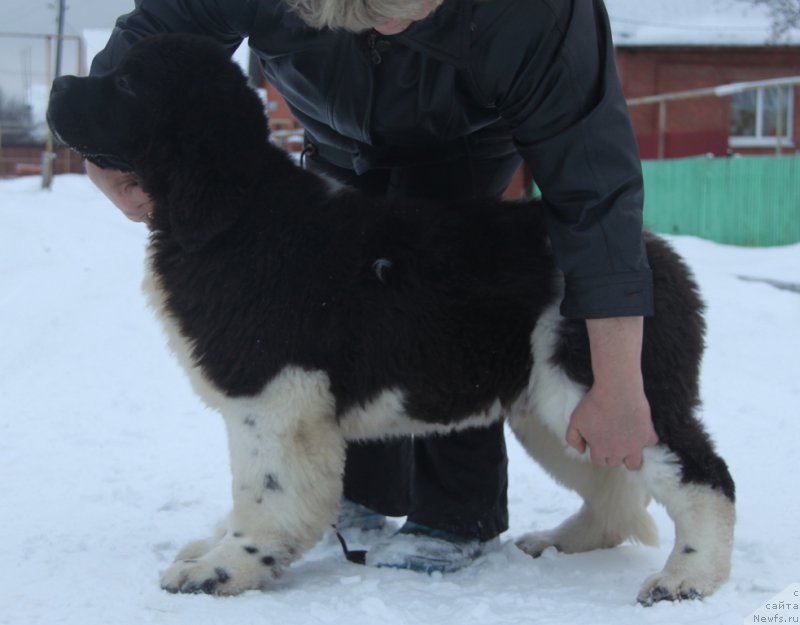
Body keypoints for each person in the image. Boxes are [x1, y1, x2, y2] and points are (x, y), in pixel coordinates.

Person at [87, 0, 658, 573]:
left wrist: (618, 377)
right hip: (332, 132)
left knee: (447, 306)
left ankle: (456, 512)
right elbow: (155, 32)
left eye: (407, 10)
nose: (388, 29)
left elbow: (594, 190)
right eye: (366, 11)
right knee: (336, 319)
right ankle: (345, 495)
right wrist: (105, 148)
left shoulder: (541, 13)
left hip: (463, 141)